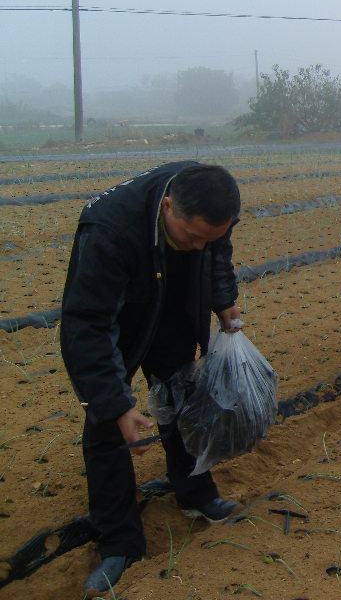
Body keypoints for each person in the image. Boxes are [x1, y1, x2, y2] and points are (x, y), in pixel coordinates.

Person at [60, 162, 244, 597]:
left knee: (180, 393)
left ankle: (195, 492)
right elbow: (86, 321)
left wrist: (223, 301)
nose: (200, 245)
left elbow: (216, 252)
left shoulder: (212, 202)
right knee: (107, 423)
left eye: (209, 237)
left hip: (174, 296)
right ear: (167, 206)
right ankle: (119, 541)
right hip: (121, 308)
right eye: (192, 236)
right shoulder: (109, 230)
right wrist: (116, 402)